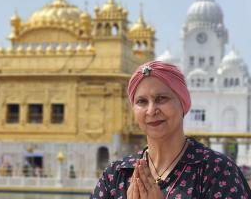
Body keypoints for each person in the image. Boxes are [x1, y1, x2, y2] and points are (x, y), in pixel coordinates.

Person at [90, 61, 251, 198]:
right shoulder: (117, 175)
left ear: (183, 104)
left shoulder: (216, 171)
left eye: (161, 99)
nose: (151, 110)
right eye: (142, 101)